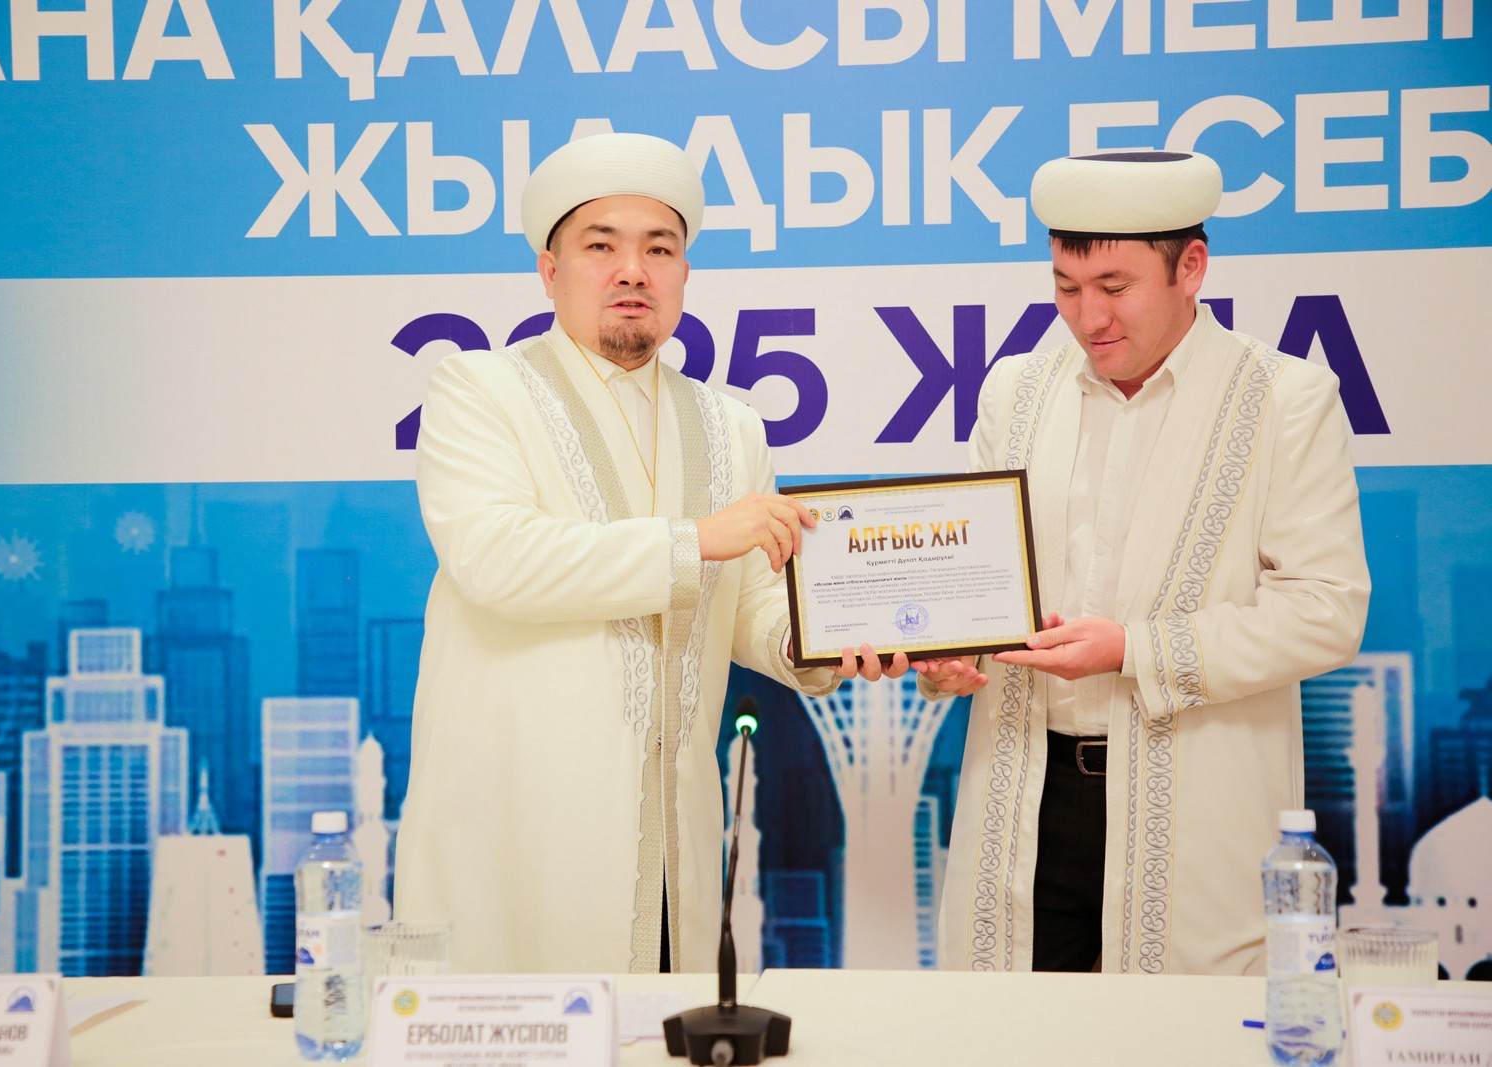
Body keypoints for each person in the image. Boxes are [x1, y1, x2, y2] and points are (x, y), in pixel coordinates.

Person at [392, 132, 903, 975]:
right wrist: (695, 540)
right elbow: (495, 557)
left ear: (683, 273)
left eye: (659, 249)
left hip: (673, 835)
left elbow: (750, 606)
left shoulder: (732, 425)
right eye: (602, 246)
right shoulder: (480, 390)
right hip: (517, 826)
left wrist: (826, 642)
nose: (633, 270)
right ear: (549, 270)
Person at [924, 150, 1370, 975]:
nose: (1088, 316)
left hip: (1195, 805)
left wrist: (1132, 648)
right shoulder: (1014, 391)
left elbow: (1327, 611)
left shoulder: (1285, 399)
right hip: (1024, 794)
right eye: (1066, 286)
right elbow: (982, 583)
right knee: (1010, 1026)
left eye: (1114, 286)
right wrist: (954, 652)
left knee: (1182, 1030)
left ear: (1190, 267)